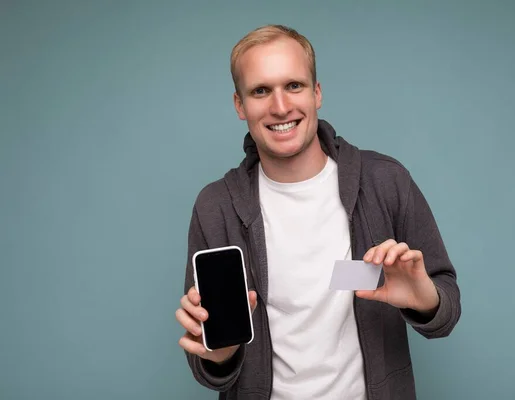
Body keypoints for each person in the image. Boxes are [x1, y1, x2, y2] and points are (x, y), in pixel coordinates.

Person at [175, 24, 461, 400]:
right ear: (240, 105)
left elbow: (445, 310)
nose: (280, 107)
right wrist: (219, 355)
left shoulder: (385, 181)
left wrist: (425, 299)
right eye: (261, 90)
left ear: (317, 93)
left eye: (293, 85)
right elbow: (211, 368)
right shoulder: (216, 207)